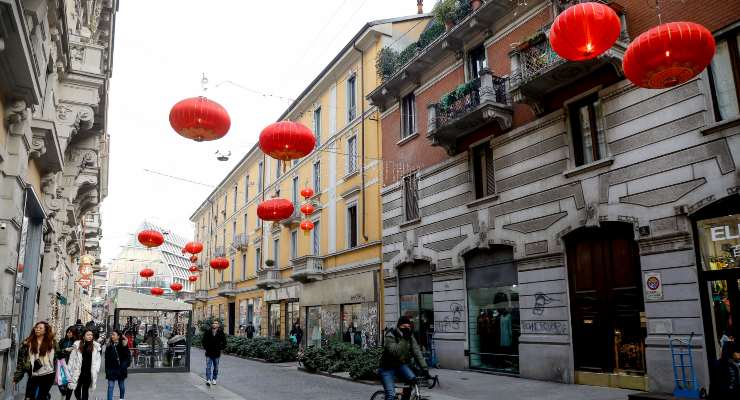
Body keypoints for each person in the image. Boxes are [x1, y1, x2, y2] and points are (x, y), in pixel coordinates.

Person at [379, 316, 430, 400]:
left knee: (413, 380)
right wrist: (403, 339)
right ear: (399, 326)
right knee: (391, 395)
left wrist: (424, 368)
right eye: (404, 327)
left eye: (408, 327)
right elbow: (395, 352)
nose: (407, 329)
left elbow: (416, 351)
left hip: (400, 365)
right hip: (386, 367)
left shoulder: (409, 336)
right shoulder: (391, 335)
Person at [13, 321, 56, 400]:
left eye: (40, 328)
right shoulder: (27, 343)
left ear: (45, 331)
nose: (37, 329)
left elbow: (57, 357)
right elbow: (21, 362)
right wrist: (17, 378)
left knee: (41, 397)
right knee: (29, 397)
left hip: (48, 374)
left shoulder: (51, 343)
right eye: (36, 328)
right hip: (34, 375)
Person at [68, 329, 101, 400]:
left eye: (91, 335)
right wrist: (69, 369)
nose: (90, 336)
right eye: (88, 335)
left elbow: (98, 360)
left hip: (88, 372)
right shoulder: (77, 345)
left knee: (85, 391)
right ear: (83, 336)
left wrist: (96, 369)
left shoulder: (95, 347)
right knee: (77, 390)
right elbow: (72, 358)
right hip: (78, 371)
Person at [105, 330, 131, 400]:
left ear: (118, 336)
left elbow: (127, 356)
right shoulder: (109, 345)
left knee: (121, 385)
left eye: (113, 334)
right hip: (111, 369)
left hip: (121, 368)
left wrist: (125, 346)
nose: (112, 336)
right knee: (110, 386)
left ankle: (121, 398)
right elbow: (106, 359)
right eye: (111, 335)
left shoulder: (123, 344)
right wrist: (107, 370)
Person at [201, 320, 226, 386]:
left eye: (216, 323)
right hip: (209, 352)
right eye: (213, 323)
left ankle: (214, 379)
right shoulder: (207, 332)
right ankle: (208, 380)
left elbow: (224, 342)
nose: (214, 324)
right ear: (212, 325)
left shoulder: (221, 333)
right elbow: (203, 341)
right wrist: (206, 347)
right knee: (208, 367)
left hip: (217, 353)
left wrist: (220, 348)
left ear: (218, 325)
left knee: (216, 367)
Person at [57, 327, 79, 400]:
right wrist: (65, 350)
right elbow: (58, 351)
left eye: (71, 332)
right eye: (68, 332)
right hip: (62, 364)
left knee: (70, 384)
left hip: (72, 366)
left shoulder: (76, 342)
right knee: (62, 383)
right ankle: (63, 395)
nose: (69, 333)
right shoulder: (62, 341)